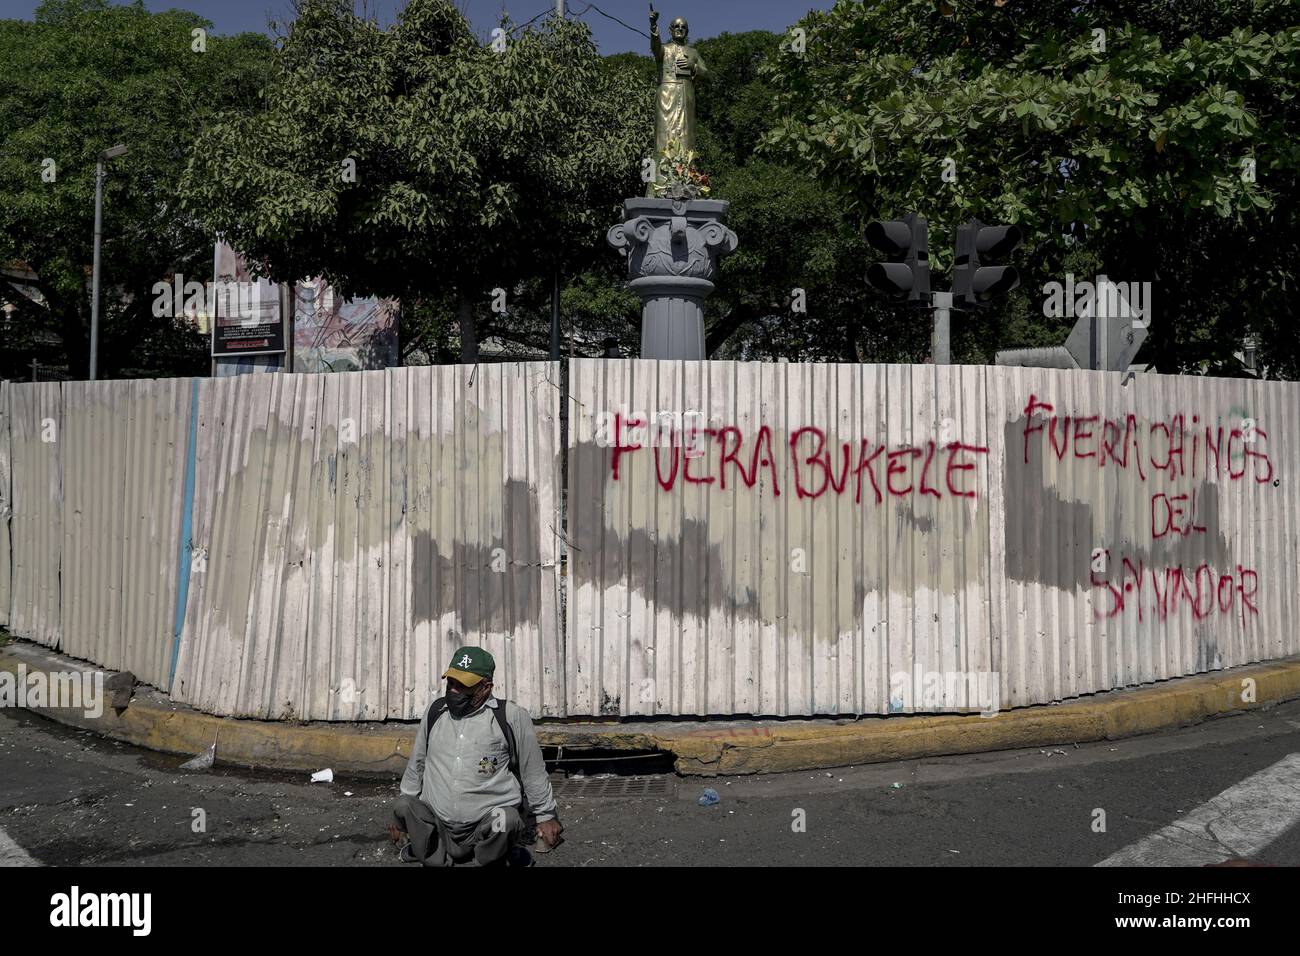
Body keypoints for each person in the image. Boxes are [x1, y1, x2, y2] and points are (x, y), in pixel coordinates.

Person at [389, 646, 562, 866]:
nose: (453, 690)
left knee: (506, 820)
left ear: (486, 687)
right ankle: (435, 853)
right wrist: (402, 819)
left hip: (485, 824)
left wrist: (546, 815)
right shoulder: (435, 712)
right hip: (440, 823)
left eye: (463, 686)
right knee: (404, 804)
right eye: (451, 683)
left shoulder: (510, 716)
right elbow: (417, 763)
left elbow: (533, 771)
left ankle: (490, 856)